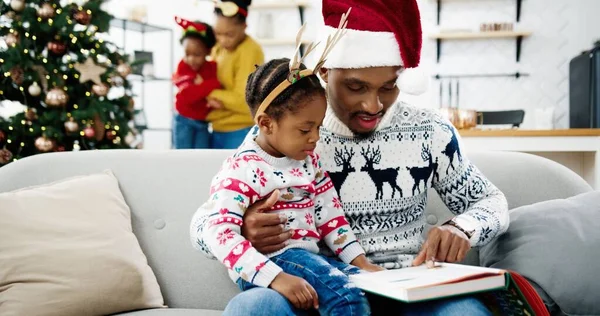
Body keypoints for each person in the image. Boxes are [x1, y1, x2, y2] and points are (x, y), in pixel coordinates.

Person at [192, 0, 509, 315]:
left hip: (404, 287)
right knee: (255, 308)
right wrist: (244, 228)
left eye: (388, 87)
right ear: (325, 72)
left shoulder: (430, 131)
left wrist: (463, 227)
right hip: (318, 291)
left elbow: (491, 202)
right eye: (356, 87)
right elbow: (202, 226)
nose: (373, 106)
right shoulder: (287, 132)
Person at [205, 0, 264, 149]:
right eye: (217, 33)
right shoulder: (218, 48)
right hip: (217, 128)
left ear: (244, 27)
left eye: (229, 34)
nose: (222, 40)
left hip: (240, 131)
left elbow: (244, 101)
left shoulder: (250, 51)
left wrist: (205, 92)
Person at [171, 17, 221, 149]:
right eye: (187, 54)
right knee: (183, 158)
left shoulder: (212, 67)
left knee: (202, 156)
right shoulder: (183, 66)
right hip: (183, 121)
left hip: (203, 122)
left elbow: (218, 85)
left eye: (197, 54)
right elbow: (188, 96)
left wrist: (202, 88)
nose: (191, 59)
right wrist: (208, 85)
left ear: (208, 51)